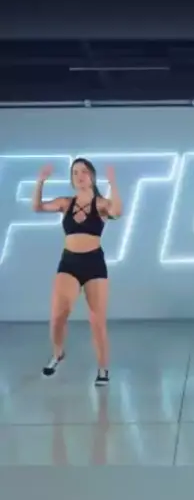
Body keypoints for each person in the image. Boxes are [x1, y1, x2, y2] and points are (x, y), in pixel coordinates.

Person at [32, 157, 122, 386]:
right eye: (74, 173)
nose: (79, 176)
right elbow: (37, 207)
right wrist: (40, 181)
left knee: (97, 320)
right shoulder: (66, 203)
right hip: (69, 263)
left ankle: (103, 368)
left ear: (91, 176)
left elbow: (118, 211)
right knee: (57, 316)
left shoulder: (101, 204)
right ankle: (58, 354)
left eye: (83, 171)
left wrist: (113, 183)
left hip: (94, 264)